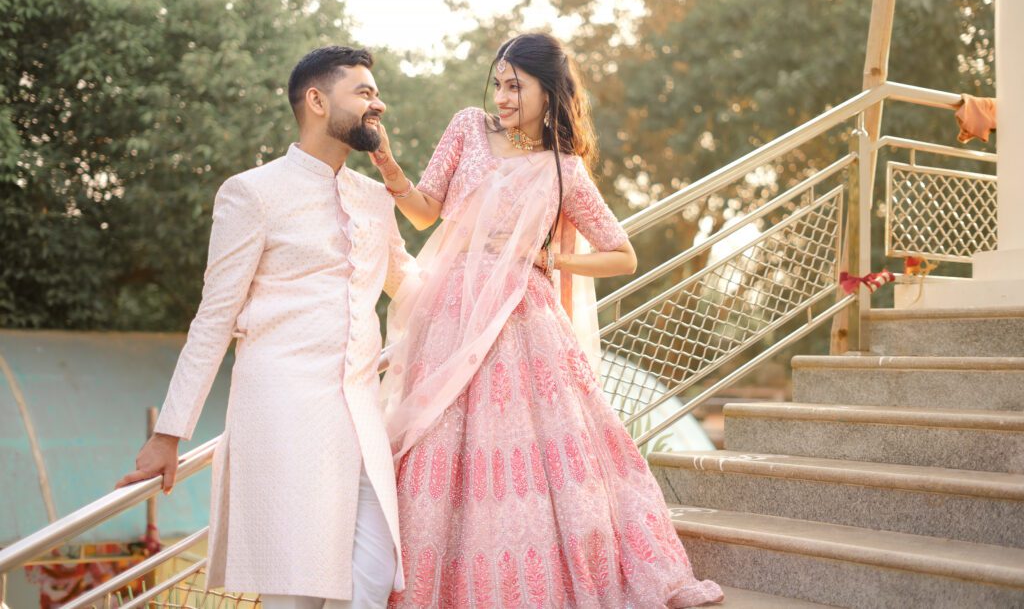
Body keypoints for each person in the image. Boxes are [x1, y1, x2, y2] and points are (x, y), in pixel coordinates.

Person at [369, 33, 723, 607]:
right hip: (453, 312)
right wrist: (387, 163)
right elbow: (424, 211)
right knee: (440, 444)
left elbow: (622, 254)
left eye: (517, 85)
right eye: (500, 83)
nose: (503, 96)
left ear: (548, 92)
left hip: (523, 320)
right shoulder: (467, 128)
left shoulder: (564, 171)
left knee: (540, 457)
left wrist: (550, 258)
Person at [116, 46, 416, 608]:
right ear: (318, 101)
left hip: (362, 415)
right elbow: (213, 320)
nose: (380, 104)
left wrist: (503, 274)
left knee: (373, 580)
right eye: (365, 92)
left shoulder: (375, 198)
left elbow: (411, 284)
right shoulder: (252, 192)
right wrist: (168, 434)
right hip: (284, 416)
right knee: (295, 595)